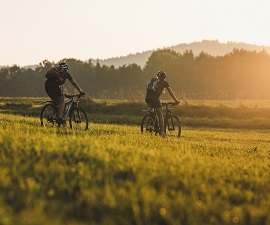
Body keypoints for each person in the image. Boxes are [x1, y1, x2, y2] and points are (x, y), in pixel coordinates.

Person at [145, 71, 180, 138]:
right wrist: (176, 100)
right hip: (155, 99)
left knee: (152, 109)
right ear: (164, 77)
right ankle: (162, 133)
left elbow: (151, 91)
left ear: (157, 76)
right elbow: (170, 92)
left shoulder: (153, 80)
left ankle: (151, 120)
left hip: (147, 98)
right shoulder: (164, 82)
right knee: (160, 115)